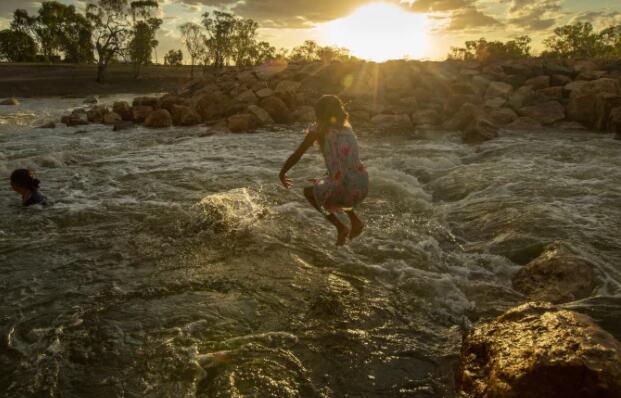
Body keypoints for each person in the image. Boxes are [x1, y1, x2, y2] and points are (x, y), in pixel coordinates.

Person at [279, 95, 369, 246]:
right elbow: (343, 161)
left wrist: (282, 173)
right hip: (362, 184)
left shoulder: (318, 130)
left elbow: (298, 153)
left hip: (347, 189)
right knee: (330, 185)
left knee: (310, 193)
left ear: (319, 113)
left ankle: (340, 227)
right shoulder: (347, 128)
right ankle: (355, 221)